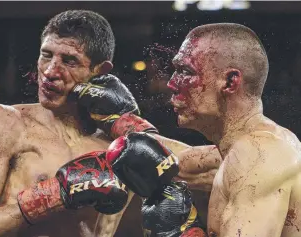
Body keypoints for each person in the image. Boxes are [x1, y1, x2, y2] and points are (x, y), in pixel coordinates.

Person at [0, 10, 221, 237]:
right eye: (46, 55)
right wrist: (49, 197)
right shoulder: (5, 123)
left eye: (69, 61)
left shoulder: (125, 145)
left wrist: (130, 125)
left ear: (101, 71)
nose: (50, 72)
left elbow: (228, 164)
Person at [106, 23, 301, 237]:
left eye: (185, 71)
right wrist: (116, 120)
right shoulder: (238, 151)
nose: (172, 83)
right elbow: (173, 163)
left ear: (229, 82)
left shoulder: (258, 155)